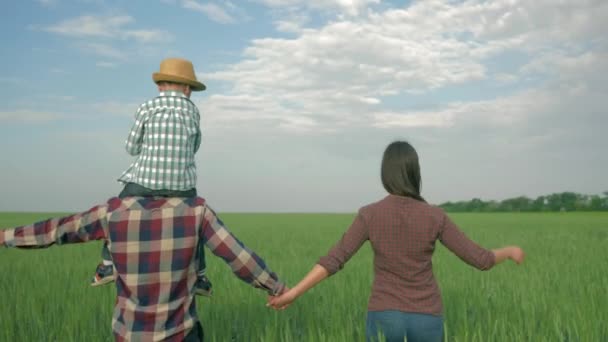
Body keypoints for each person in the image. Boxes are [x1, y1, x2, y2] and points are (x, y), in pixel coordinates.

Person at [267, 141, 525, 342]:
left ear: (385, 173)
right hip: (426, 318)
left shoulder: (370, 214)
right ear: (414, 173)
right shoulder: (435, 215)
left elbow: (335, 259)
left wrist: (293, 293)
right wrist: (509, 250)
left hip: (384, 315)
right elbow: (480, 259)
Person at [0, 196, 285, 341]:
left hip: (129, 335)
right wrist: (277, 288)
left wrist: (6, 236)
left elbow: (58, 230)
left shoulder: (113, 212)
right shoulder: (197, 211)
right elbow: (238, 255)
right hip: (181, 336)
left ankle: (105, 266)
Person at [92, 57, 213, 297]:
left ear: (159, 86)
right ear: (188, 89)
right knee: (195, 222)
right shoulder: (193, 111)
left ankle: (107, 266)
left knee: (115, 213)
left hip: (143, 182)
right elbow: (195, 144)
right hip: (183, 186)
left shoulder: (146, 107)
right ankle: (199, 276)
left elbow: (131, 147)